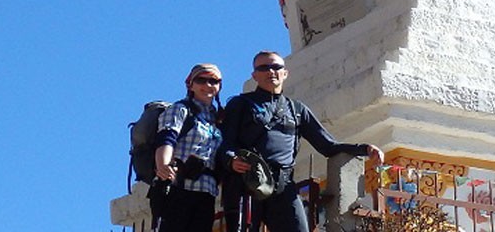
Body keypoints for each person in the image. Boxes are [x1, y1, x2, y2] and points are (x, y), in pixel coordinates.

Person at [219, 51, 384, 232]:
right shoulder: (241, 104)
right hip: (247, 182)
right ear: (254, 75)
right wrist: (231, 160)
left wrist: (364, 148)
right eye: (264, 68)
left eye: (276, 67)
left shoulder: (296, 110)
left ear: (285, 73)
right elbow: (225, 141)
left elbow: (328, 146)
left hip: (282, 186)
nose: (271, 72)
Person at [151, 63, 226, 232]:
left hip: (206, 191)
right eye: (201, 80)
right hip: (177, 186)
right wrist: (163, 165)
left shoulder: (218, 118)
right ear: (190, 84)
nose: (207, 85)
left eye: (213, 81)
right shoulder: (180, 109)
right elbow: (166, 137)